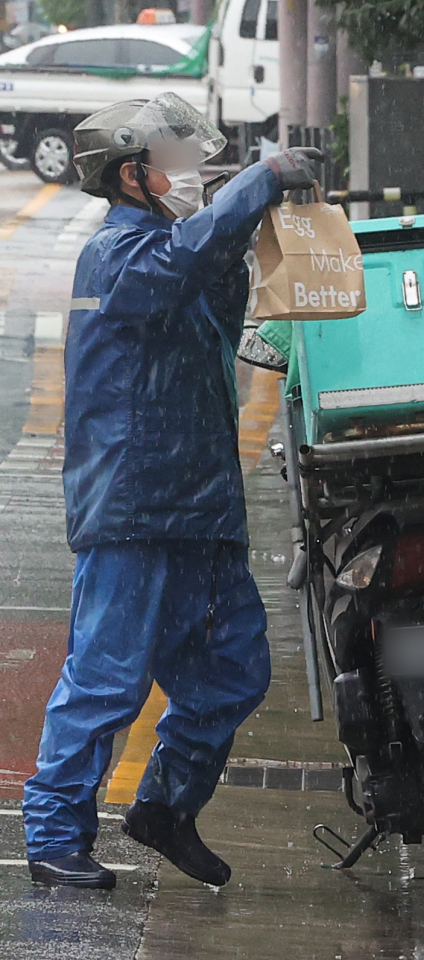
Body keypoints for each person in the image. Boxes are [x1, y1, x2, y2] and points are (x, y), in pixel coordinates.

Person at [22, 92, 322, 890]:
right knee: (108, 678)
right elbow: (183, 263)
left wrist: (259, 232)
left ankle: (163, 807)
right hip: (133, 508)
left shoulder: (169, 248)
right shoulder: (117, 256)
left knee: (232, 672)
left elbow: (213, 285)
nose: (193, 176)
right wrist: (257, 184)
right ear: (134, 177)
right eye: (179, 164)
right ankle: (54, 835)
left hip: (199, 509)